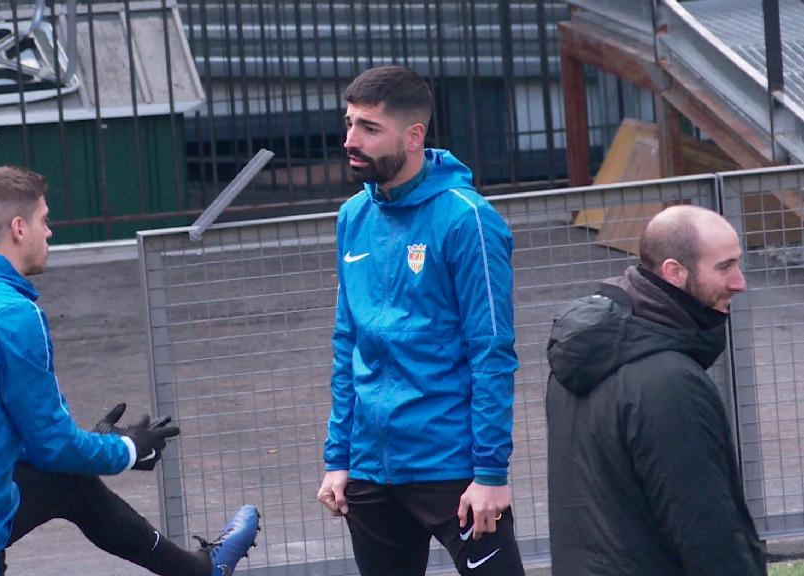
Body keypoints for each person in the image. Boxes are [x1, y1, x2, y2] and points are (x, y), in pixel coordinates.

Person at [0, 166, 259, 576]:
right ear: (19, 228)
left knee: (66, 481)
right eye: (45, 221)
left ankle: (198, 572)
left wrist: (93, 446)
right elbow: (51, 445)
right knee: (63, 472)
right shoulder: (13, 315)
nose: (50, 232)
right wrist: (130, 449)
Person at [316, 65, 525, 576]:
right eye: (349, 124)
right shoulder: (352, 217)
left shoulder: (467, 219)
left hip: (451, 466)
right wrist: (338, 457)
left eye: (369, 128)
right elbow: (348, 343)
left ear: (413, 137)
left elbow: (491, 350)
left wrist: (490, 472)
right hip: (369, 465)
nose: (351, 140)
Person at [545, 205, 764, 575]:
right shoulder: (668, 381)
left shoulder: (576, 361)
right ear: (674, 273)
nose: (739, 282)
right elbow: (706, 527)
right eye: (725, 267)